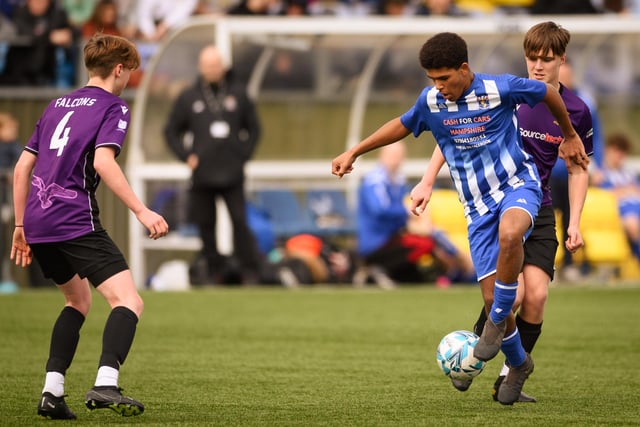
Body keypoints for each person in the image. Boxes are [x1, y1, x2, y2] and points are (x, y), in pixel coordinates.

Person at [331, 31, 588, 405]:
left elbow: (549, 93)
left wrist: (568, 133)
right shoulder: (433, 101)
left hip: (519, 185)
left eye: (444, 78)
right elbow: (402, 124)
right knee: (491, 295)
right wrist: (354, 151)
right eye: (432, 79)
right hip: (476, 207)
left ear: (464, 69)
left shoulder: (500, 88)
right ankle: (518, 363)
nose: (439, 86)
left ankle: (495, 323)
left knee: (511, 233)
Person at [10, 33, 169, 420]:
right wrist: (141, 210)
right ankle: (107, 382)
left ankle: (52, 392)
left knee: (77, 302)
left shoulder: (56, 105)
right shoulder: (113, 106)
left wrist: (20, 225)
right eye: (130, 71)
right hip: (73, 217)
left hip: (38, 219)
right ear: (119, 69)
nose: (130, 77)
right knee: (128, 301)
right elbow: (103, 163)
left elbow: (22, 167)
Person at [460, 21, 591, 402]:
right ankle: (470, 360)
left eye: (546, 59)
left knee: (536, 296)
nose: (537, 66)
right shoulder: (506, 94)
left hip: (542, 208)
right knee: (511, 295)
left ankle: (509, 374)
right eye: (531, 58)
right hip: (501, 203)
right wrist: (427, 179)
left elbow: (579, 167)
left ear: (561, 60)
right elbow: (457, 131)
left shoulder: (577, 111)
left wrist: (576, 223)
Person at [164, 44, 263, 285]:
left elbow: (254, 129)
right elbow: (170, 131)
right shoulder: (189, 96)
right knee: (206, 224)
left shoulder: (238, 93)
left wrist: (243, 154)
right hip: (203, 174)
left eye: (216, 65)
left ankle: (248, 270)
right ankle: (214, 270)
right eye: (207, 66)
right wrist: (186, 156)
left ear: (223, 66)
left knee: (240, 221)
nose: (212, 70)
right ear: (201, 68)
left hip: (232, 172)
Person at [550, 59, 603, 280]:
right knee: (545, 220)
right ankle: (546, 267)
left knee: (572, 219)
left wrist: (597, 165)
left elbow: (596, 138)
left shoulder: (583, 104)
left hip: (573, 174)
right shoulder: (539, 101)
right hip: (549, 176)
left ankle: (573, 265)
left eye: (568, 75)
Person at [0, 0, 75, 86]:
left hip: (47, 70)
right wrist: (50, 36)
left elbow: (74, 32)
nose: (39, 3)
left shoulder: (57, 13)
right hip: (20, 71)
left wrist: (69, 34)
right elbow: (26, 31)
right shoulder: (19, 12)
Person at [599, 132, 640, 260]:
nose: (620, 156)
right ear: (608, 150)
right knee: (632, 224)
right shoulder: (601, 174)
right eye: (617, 150)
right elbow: (606, 194)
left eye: (623, 152)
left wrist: (625, 190)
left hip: (636, 205)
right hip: (622, 210)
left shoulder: (629, 173)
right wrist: (627, 190)